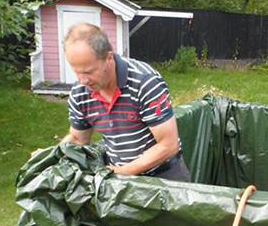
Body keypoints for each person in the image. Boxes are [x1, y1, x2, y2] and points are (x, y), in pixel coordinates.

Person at [59, 22, 190, 181]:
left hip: (164, 177)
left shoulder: (145, 83)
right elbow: (78, 138)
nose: (83, 80)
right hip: (121, 178)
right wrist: (51, 156)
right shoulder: (80, 93)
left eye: (88, 71)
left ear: (109, 57)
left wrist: (124, 171)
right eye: (76, 72)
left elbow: (168, 145)